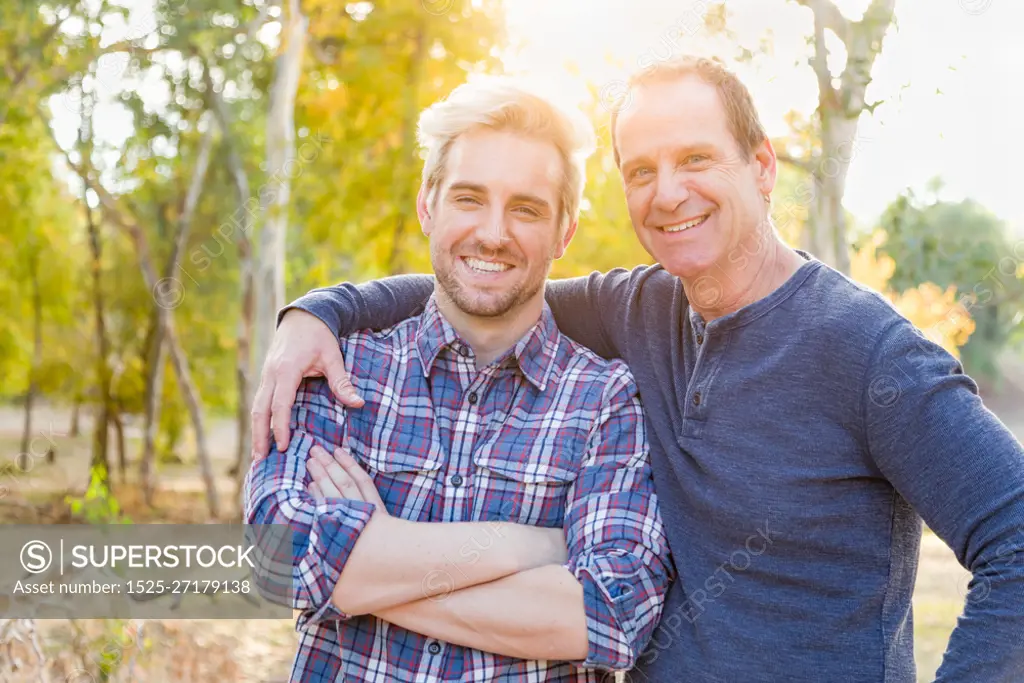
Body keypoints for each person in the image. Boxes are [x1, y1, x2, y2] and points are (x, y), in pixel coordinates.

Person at [254, 56, 1024, 682]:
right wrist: (320, 311)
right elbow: (485, 278)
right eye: (641, 169)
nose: (668, 192)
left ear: (762, 165)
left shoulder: (870, 354)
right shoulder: (639, 309)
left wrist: (355, 578)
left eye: (695, 158)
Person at [243, 76, 672, 683]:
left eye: (526, 208)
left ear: (564, 232)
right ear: (427, 206)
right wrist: (526, 547)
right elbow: (276, 561)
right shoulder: (338, 369)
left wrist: (372, 563)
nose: (493, 234)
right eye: (469, 198)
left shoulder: (604, 399)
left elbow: (609, 614)